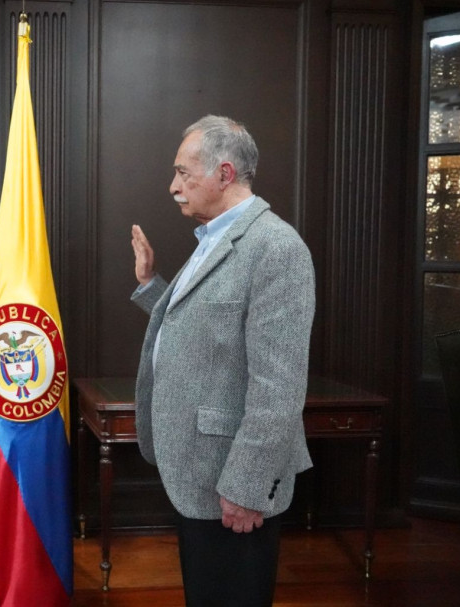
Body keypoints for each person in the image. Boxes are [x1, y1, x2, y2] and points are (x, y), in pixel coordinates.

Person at [130, 115, 315, 606]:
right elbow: (207, 330)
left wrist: (248, 486)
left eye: (184, 174)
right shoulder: (214, 236)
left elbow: (279, 385)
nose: (173, 187)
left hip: (233, 481)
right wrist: (152, 287)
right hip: (199, 473)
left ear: (225, 174)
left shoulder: (277, 249)